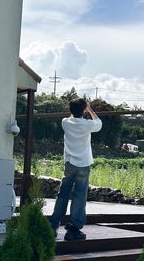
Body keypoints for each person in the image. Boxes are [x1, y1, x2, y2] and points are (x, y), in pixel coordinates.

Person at [49, 98, 102, 241]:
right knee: (79, 195)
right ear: (84, 110)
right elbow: (99, 124)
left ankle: (53, 225)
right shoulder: (87, 125)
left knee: (63, 193)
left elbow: (72, 117)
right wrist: (90, 110)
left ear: (70, 110)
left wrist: (81, 109)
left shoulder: (65, 122)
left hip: (69, 163)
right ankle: (73, 228)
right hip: (83, 163)